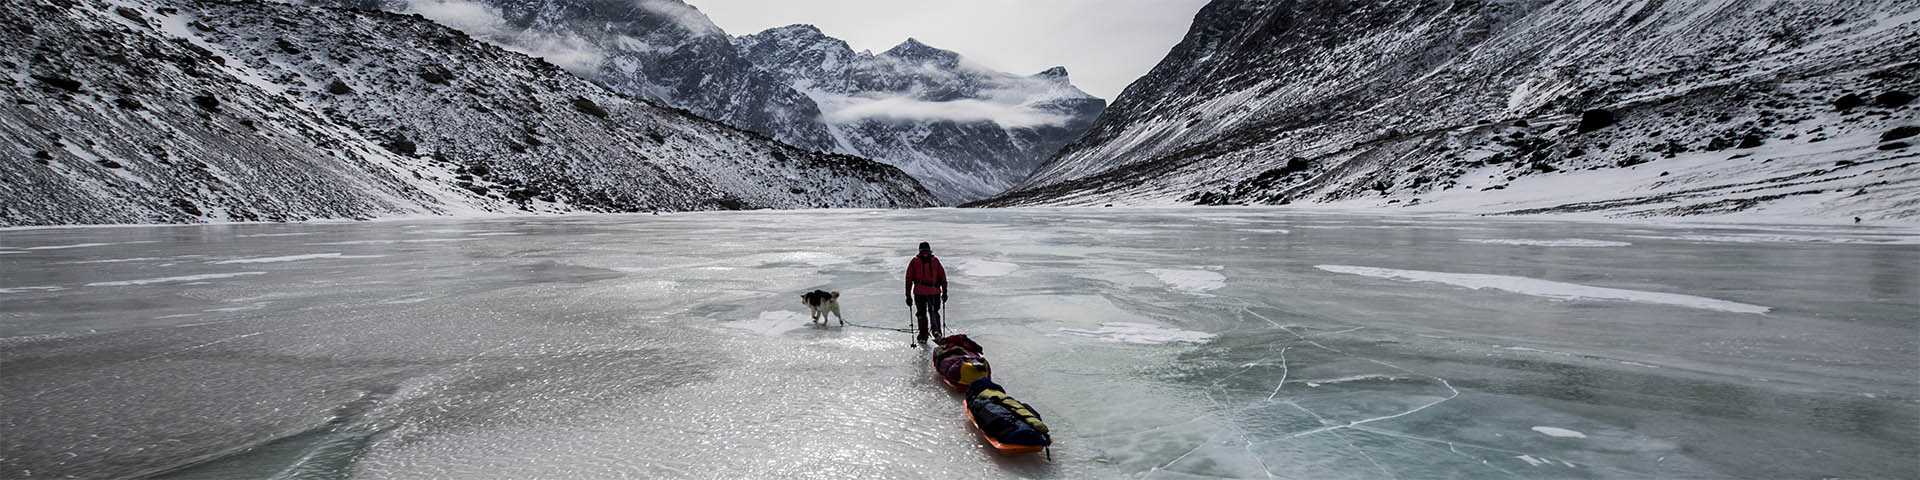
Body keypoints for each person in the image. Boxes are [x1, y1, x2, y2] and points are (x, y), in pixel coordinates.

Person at [904, 241, 948, 344]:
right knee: (934, 312)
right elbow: (943, 277)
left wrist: (908, 295)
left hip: (919, 293)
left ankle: (923, 335)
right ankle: (937, 332)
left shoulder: (914, 261)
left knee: (921, 313)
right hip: (934, 292)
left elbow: (909, 279)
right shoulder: (935, 260)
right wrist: (945, 292)